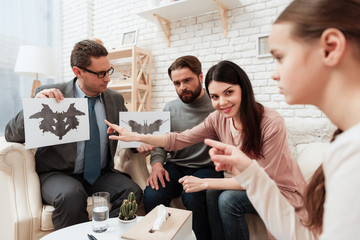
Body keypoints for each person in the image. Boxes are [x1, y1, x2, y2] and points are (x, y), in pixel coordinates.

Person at [202, 0, 360, 239]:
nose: (274, 73)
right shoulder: (345, 146)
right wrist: (249, 170)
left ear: (330, 48)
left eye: (280, 57)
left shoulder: (353, 154)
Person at [105, 60, 307, 240]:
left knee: (226, 199)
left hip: (279, 188)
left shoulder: (271, 122)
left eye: (229, 92)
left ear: (243, 89)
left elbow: (262, 177)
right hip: (249, 182)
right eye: (215, 96)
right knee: (211, 194)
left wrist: (205, 182)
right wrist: (137, 136)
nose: (222, 103)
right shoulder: (217, 118)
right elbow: (180, 139)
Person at [5, 39, 142, 230]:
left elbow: (125, 130)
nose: (108, 79)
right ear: (78, 72)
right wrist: (34, 105)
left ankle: (105, 235)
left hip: (101, 173)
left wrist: (139, 143)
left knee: (131, 191)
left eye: (109, 71)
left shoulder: (115, 99)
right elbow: (11, 134)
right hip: (58, 173)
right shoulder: (50, 94)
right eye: (101, 73)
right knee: (71, 196)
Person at [143, 55, 223, 240]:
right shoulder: (170, 108)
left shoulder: (217, 105)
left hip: (207, 168)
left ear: (201, 77)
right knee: (152, 194)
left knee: (193, 196)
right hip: (176, 166)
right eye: (176, 83)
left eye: (187, 80)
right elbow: (160, 142)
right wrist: (156, 165)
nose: (182, 87)